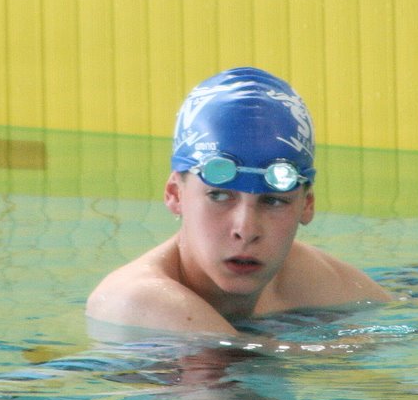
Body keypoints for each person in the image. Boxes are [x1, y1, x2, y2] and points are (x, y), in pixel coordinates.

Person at [86, 67, 390, 334]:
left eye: (273, 201)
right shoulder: (136, 300)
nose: (246, 230)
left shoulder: (317, 281)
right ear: (175, 194)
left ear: (307, 205)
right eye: (219, 196)